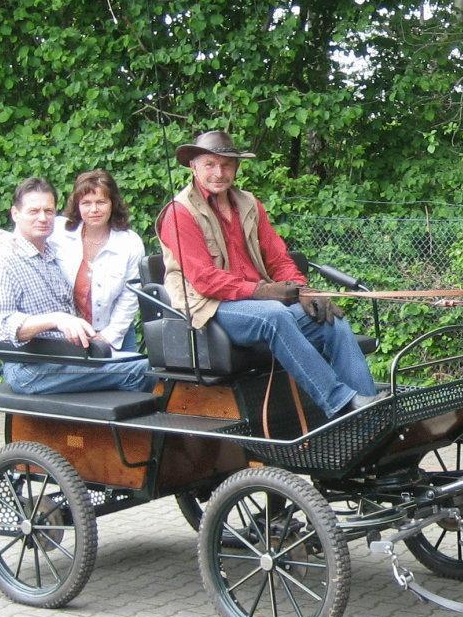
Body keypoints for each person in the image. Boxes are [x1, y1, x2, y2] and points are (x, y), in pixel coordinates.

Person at [157, 130, 379, 418]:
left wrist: (303, 290)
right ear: (193, 166)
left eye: (226, 165)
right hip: (209, 306)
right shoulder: (179, 213)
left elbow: (278, 258)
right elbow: (205, 280)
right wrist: (262, 291)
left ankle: (373, 415)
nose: (219, 172)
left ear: (236, 168)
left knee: (330, 319)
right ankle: (341, 403)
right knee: (275, 315)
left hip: (258, 301)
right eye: (210, 164)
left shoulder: (249, 204)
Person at [0, 177, 150, 395]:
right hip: (31, 367)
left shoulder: (50, 251)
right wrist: (57, 319)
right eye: (33, 211)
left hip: (69, 354)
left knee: (150, 366)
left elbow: (129, 296)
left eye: (49, 211)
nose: (43, 218)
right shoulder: (1, 258)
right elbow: (3, 325)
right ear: (15, 214)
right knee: (142, 371)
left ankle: (112, 428)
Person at [51, 169, 146, 353]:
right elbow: (27, 232)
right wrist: (4, 239)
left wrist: (107, 338)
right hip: (68, 336)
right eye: (86, 203)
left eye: (101, 202)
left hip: (116, 336)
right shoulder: (59, 232)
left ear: (113, 203)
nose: (94, 210)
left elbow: (131, 296)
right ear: (77, 205)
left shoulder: (129, 243)